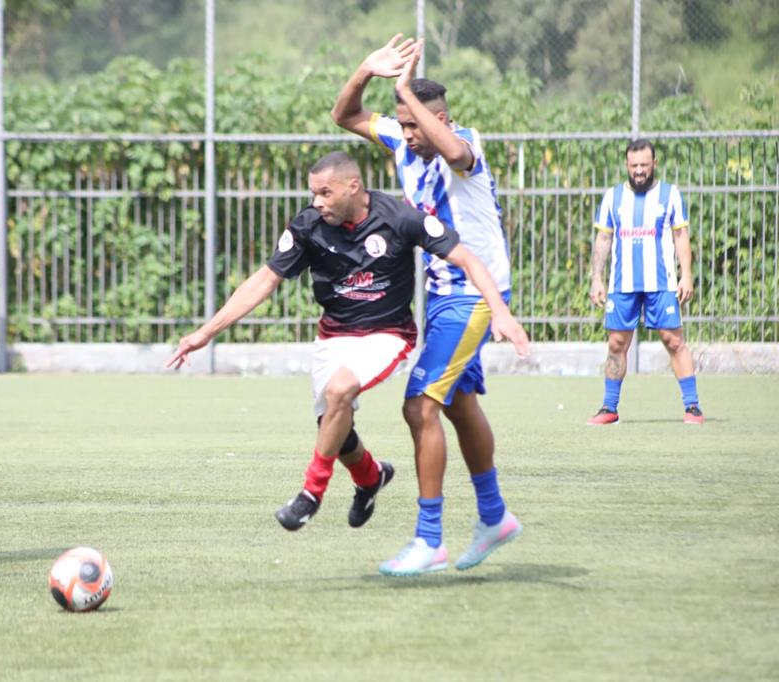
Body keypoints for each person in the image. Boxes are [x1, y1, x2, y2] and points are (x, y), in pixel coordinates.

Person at [166, 152, 528, 539]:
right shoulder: (308, 225)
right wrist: (206, 332)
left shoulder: (399, 218)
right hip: (333, 335)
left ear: (353, 187)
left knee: (339, 392)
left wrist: (500, 311)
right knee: (334, 430)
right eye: (313, 193)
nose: (317, 202)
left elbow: (468, 259)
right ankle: (371, 477)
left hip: (386, 334)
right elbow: (264, 280)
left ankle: (311, 493)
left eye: (325, 193)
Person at [332, 36, 524, 575]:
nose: (408, 133)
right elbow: (344, 114)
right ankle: (494, 516)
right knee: (458, 404)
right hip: (442, 294)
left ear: (439, 118)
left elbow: (455, 153)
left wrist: (407, 94)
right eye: (403, 124)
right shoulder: (402, 137)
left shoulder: (465, 143)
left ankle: (430, 538)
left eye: (416, 124)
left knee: (419, 406)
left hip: (475, 293)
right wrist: (365, 70)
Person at [588, 138, 703, 425]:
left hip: (661, 283)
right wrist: (596, 278)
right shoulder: (612, 197)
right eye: (634, 165)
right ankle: (609, 408)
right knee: (616, 344)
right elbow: (603, 239)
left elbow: (681, 236)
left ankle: (692, 406)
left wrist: (687, 274)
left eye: (644, 165)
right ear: (626, 165)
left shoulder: (670, 194)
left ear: (654, 163)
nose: (639, 170)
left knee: (673, 341)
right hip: (622, 284)